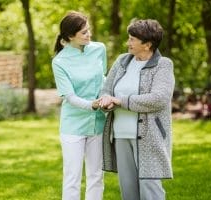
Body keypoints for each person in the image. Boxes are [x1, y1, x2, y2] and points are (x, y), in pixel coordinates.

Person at [99, 19, 175, 200]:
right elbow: (106, 90)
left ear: (147, 45)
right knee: (128, 190)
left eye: (133, 39)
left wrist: (120, 101)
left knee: (150, 189)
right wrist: (106, 100)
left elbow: (158, 99)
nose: (128, 43)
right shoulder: (122, 61)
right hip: (120, 135)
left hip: (150, 137)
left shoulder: (163, 64)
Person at [51, 11, 107, 200]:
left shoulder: (99, 49)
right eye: (83, 33)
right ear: (70, 37)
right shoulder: (59, 62)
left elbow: (103, 79)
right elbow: (70, 96)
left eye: (88, 30)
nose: (89, 34)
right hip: (73, 126)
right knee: (72, 178)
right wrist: (92, 105)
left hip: (97, 123)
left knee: (96, 175)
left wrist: (105, 98)